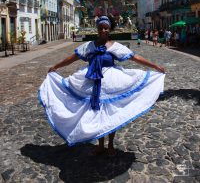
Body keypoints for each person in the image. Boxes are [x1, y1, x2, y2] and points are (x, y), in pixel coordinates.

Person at [38, 16, 165, 156]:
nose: (103, 30)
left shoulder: (115, 46)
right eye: (100, 28)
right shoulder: (89, 46)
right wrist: (56, 66)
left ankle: (110, 144)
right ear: (97, 29)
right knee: (96, 113)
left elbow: (134, 57)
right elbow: (72, 58)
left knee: (110, 113)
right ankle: (100, 145)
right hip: (91, 80)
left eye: (105, 28)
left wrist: (155, 66)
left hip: (110, 81)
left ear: (109, 29)